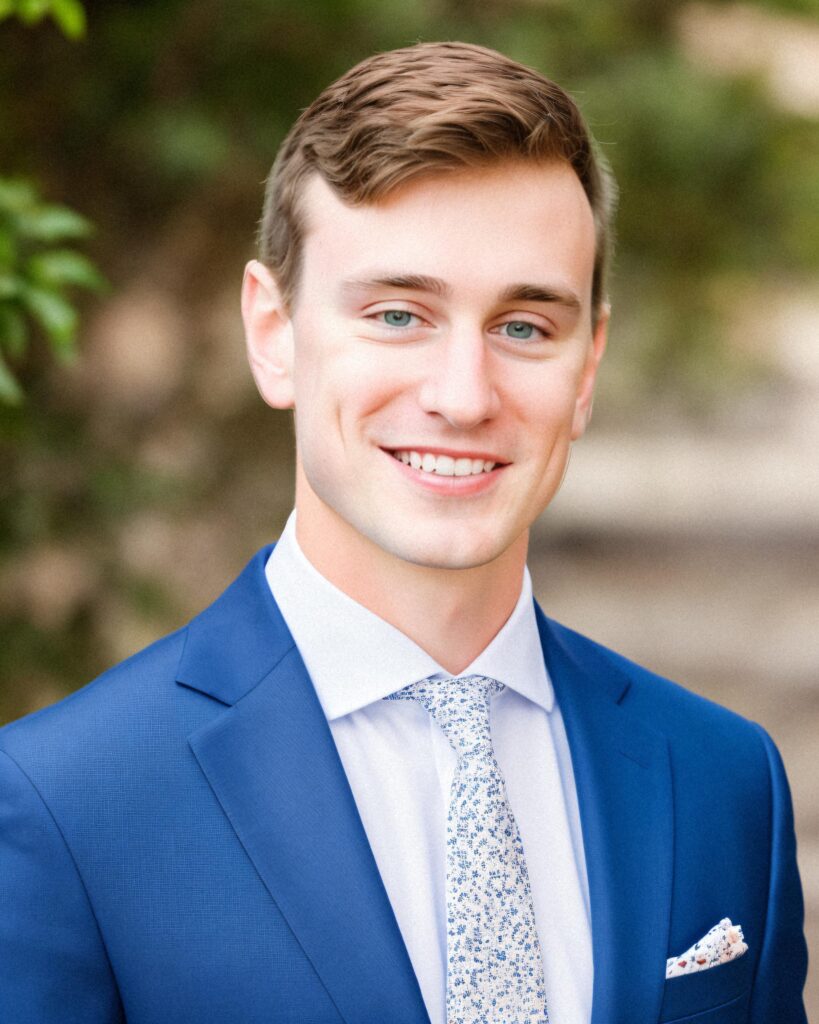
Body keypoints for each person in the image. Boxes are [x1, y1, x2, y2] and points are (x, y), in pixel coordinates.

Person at [0, 41, 807, 1024]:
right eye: (397, 314)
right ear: (274, 334)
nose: (464, 396)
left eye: (524, 327)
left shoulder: (725, 781)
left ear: (587, 365)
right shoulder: (67, 804)